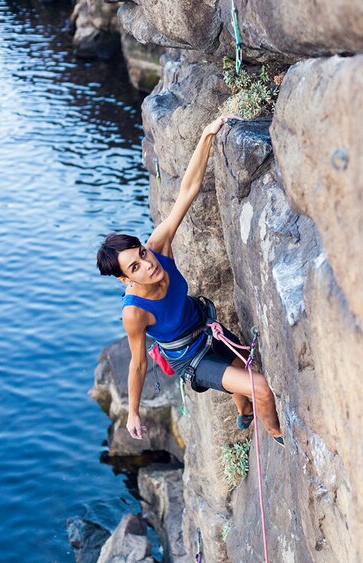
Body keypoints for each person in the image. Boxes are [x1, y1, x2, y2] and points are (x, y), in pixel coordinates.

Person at [95, 115, 283, 446]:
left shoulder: (159, 249)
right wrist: (134, 412)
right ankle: (278, 436)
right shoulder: (134, 311)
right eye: (134, 268)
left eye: (141, 253)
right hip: (191, 359)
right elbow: (138, 365)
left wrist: (208, 134)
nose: (147, 263)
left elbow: (188, 190)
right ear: (125, 280)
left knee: (240, 373)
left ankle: (244, 412)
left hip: (208, 327)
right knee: (260, 388)